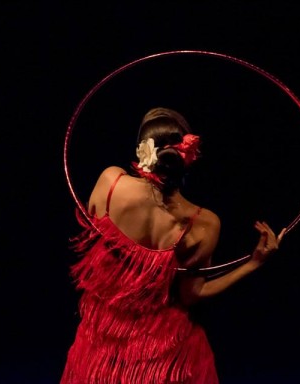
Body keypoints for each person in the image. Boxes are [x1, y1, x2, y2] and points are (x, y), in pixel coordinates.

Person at [60, 107, 286, 384]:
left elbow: (99, 239)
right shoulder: (203, 222)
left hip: (102, 347)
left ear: (144, 151)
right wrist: (254, 262)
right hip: (163, 354)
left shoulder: (111, 182)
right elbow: (193, 294)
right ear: (188, 160)